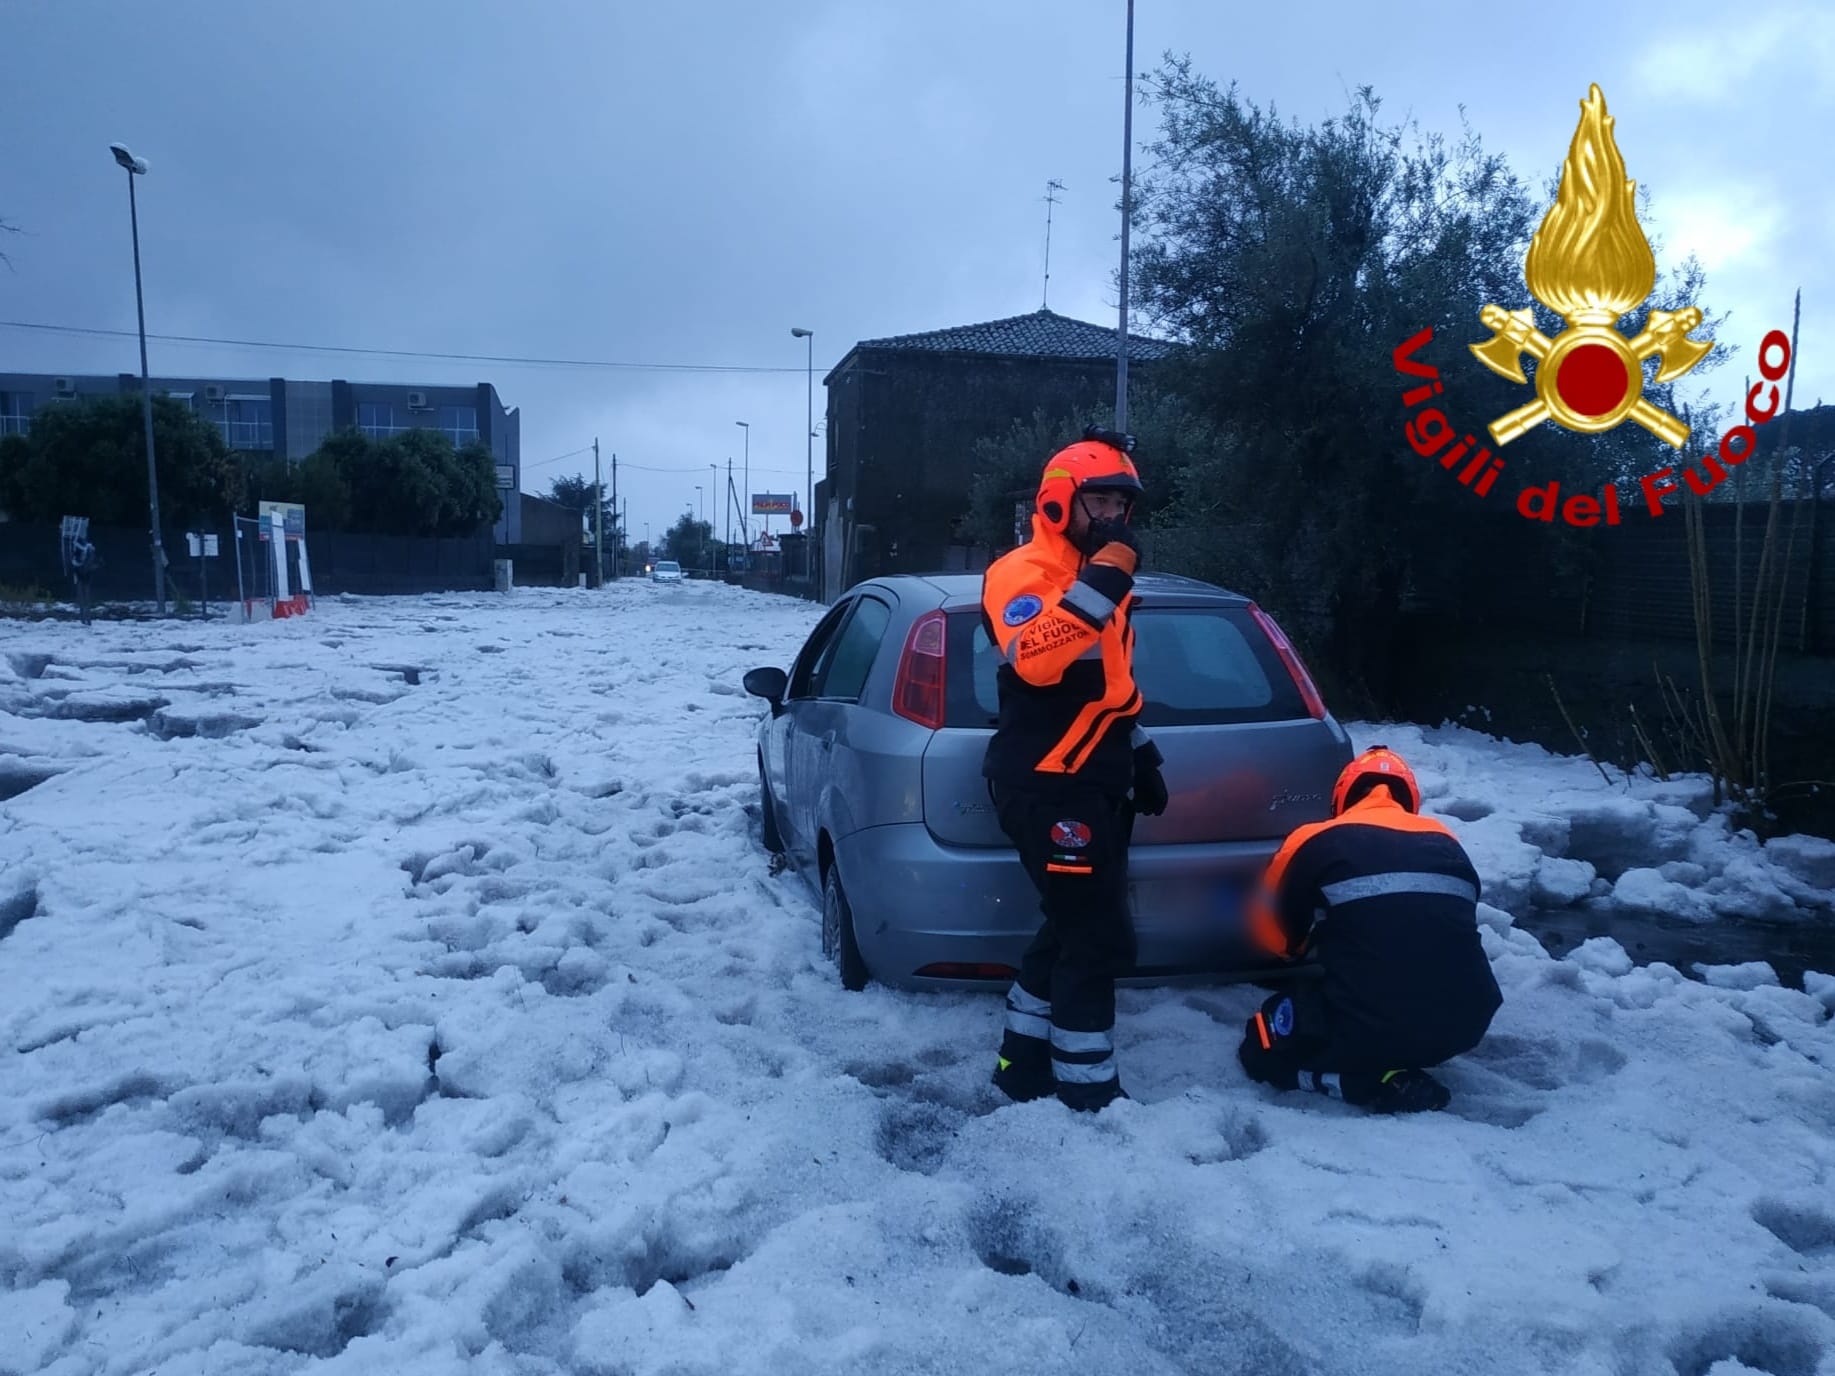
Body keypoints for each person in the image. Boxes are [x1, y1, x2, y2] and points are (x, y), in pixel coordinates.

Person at [982, 427, 1169, 1112]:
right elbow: (1036, 659)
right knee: (1094, 937)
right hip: (1045, 782)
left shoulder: (1098, 583)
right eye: (1103, 502)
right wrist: (1104, 580)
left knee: (1070, 925)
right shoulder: (1020, 575)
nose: (1117, 517)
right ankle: (1089, 1095)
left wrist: (1140, 751)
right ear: (1060, 503)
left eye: (1125, 504)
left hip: (1096, 775)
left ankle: (1020, 1063)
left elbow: (1108, 688)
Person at [1237, 745, 1502, 1113]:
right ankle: (1393, 1054)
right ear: (1410, 799)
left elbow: (1276, 939)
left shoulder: (1313, 838)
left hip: (1371, 1022)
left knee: (1261, 1044)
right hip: (1464, 1026)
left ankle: (1368, 1084)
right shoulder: (1447, 842)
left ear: (1342, 796)